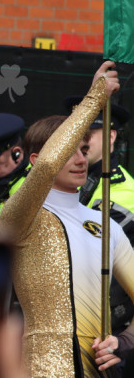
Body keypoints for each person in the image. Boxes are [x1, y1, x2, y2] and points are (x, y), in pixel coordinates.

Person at [0, 62, 134, 378]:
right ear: (34, 157)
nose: (79, 159)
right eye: (69, 149)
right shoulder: (20, 216)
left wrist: (125, 341)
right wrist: (93, 99)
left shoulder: (106, 225)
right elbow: (46, 168)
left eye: (84, 150)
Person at [64, 97, 134, 333]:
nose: (79, 141)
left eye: (88, 134)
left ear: (111, 136)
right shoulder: (53, 175)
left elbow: (80, 248)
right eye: (74, 132)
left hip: (97, 325)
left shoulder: (126, 191)